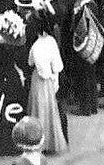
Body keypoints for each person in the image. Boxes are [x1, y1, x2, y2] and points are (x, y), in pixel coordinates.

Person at [26, 10, 67, 155]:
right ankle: (51, 141)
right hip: (50, 79)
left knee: (38, 110)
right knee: (51, 110)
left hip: (39, 80)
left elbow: (30, 62)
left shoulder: (36, 46)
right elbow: (58, 65)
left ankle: (38, 142)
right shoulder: (52, 41)